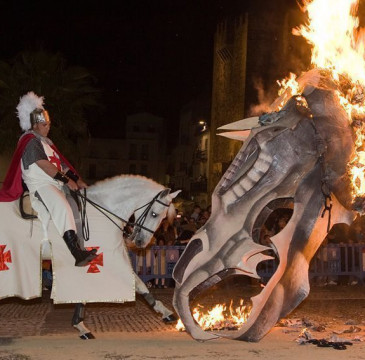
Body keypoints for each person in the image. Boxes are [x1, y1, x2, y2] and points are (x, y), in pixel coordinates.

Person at [0, 92, 97, 267]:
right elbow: (44, 165)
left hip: (55, 183)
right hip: (41, 185)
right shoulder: (30, 142)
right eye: (45, 124)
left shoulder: (47, 143)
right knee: (62, 206)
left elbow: (63, 165)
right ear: (36, 125)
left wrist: (78, 179)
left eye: (49, 124)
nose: (48, 127)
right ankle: (76, 253)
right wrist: (67, 181)